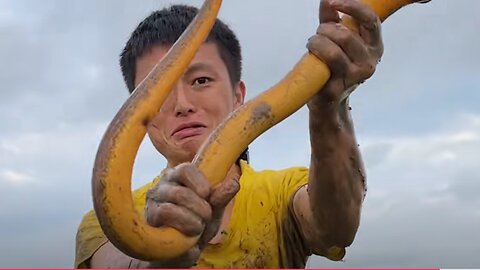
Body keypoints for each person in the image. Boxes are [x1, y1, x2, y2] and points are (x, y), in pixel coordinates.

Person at [75, 0, 383, 268]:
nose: (182, 105)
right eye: (159, 92)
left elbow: (335, 228)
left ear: (238, 96)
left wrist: (329, 106)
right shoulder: (104, 222)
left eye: (201, 81)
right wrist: (161, 257)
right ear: (136, 114)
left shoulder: (284, 191)